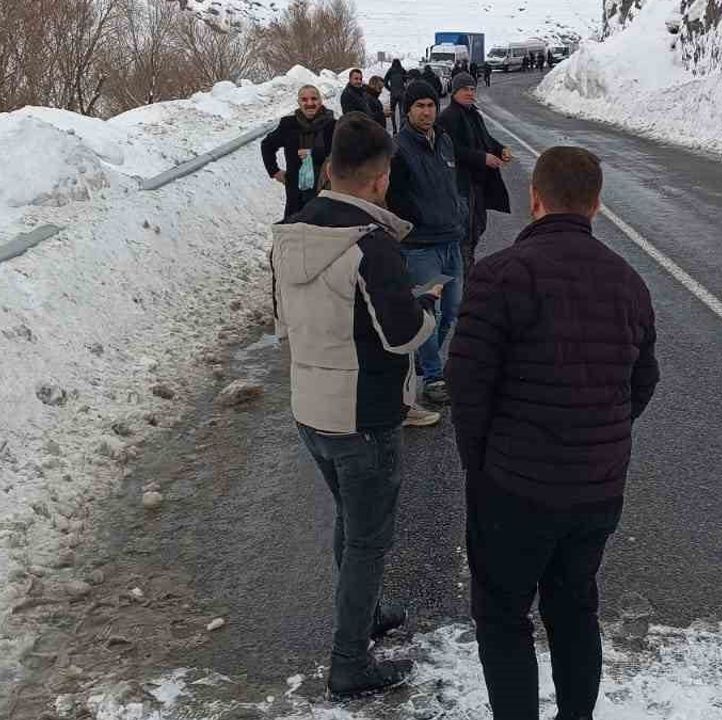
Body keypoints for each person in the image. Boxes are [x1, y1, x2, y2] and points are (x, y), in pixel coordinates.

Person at [447, 146, 660, 720]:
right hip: (597, 489)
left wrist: (484, 463)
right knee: (574, 609)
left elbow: (466, 387)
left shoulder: (497, 277)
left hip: (514, 489)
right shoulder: (629, 283)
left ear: (534, 199)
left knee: (501, 614)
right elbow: (643, 381)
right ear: (597, 204)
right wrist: (599, 435)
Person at [271, 113, 444, 700]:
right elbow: (400, 336)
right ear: (379, 179)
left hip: (310, 407)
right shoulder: (371, 247)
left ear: (327, 169)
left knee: (350, 520)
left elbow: (287, 322)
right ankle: (350, 663)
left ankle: (363, 614)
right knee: (369, 538)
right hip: (363, 415)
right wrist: (429, 309)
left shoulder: (291, 235)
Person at [386, 81, 466, 408]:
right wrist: (419, 218)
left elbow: (453, 183)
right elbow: (395, 196)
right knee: (428, 314)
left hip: (450, 241)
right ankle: (433, 377)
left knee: (452, 309)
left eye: (431, 105)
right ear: (408, 110)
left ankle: (424, 358)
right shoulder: (399, 148)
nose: (426, 111)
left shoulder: (444, 142)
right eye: (419, 105)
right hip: (421, 247)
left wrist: (458, 210)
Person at [437, 72, 512, 281]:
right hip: (461, 185)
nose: (470, 93)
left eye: (472, 89)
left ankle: (465, 275)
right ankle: (463, 283)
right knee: (465, 236)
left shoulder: (473, 114)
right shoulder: (448, 117)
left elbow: (485, 139)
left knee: (477, 228)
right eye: (465, 90)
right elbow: (452, 151)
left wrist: (500, 149)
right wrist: (482, 158)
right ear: (455, 91)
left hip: (477, 184)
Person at [261, 85, 336, 220]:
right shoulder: (288, 125)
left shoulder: (333, 126)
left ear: (320, 101)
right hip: (296, 195)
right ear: (298, 102)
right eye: (304, 99)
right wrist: (274, 171)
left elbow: (344, 154)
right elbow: (267, 145)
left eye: (314, 99)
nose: (309, 103)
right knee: (294, 234)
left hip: (325, 192)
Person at [384, 59, 408, 133]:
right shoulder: (402, 70)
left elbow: (385, 82)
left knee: (392, 112)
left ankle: (394, 129)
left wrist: (390, 89)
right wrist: (404, 87)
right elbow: (406, 79)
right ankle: (401, 128)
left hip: (393, 94)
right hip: (401, 93)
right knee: (402, 112)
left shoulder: (390, 71)